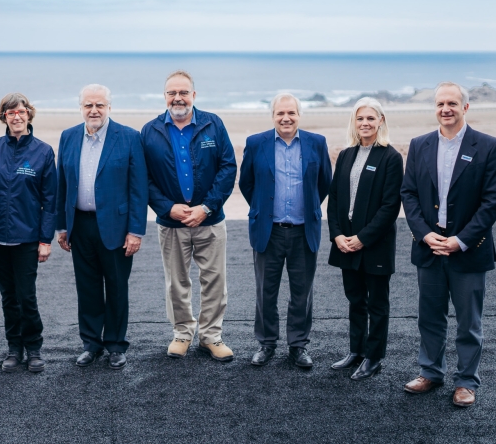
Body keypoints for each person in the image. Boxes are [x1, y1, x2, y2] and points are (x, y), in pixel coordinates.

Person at [401, 82, 496, 408]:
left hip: (468, 249)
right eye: (440, 104)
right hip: (430, 248)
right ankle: (430, 372)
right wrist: (423, 233)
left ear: (465, 107)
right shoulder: (419, 145)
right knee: (429, 318)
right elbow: (409, 194)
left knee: (469, 322)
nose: (445, 109)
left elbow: (492, 201)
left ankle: (466, 382)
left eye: (452, 103)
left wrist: (461, 240)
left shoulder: (488, 146)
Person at [141, 70, 237, 362]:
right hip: (171, 223)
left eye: (183, 92)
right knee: (176, 282)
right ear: (165, 96)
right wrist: (167, 207)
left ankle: (211, 337)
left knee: (215, 281)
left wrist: (206, 207)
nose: (178, 98)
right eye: (172, 93)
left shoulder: (213, 123)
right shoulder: (150, 131)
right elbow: (143, 178)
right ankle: (182, 333)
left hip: (210, 220)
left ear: (193, 95)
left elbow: (228, 167)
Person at [56, 84, 148, 370]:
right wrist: (61, 227)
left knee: (117, 287)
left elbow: (138, 188)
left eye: (99, 105)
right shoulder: (68, 136)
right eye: (88, 105)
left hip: (117, 227)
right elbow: (62, 184)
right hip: (80, 224)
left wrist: (135, 231)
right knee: (88, 288)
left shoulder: (129, 137)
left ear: (109, 107)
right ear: (81, 108)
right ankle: (91, 344)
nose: (94, 110)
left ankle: (116, 345)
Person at [238, 92, 332, 368]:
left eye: (291, 113)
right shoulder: (256, 143)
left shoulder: (317, 143)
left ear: (299, 115)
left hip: (304, 231)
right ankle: (267, 343)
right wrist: (263, 209)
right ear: (273, 116)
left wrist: (308, 208)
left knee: (302, 293)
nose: (286, 118)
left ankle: (298, 345)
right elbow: (246, 183)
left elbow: (324, 182)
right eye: (280, 113)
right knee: (265, 292)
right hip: (269, 231)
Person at [0, 93, 56, 374]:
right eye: (11, 113)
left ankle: (33, 347)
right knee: (8, 296)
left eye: (21, 111)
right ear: (4, 117)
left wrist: (45, 239)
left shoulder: (43, 151)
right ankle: (14, 348)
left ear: (29, 114)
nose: (17, 116)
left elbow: (50, 200)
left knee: (26, 296)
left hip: (27, 238)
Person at [326, 97, 403, 380]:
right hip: (346, 243)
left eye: (371, 118)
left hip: (375, 244)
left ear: (381, 121)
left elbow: (390, 207)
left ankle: (374, 357)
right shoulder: (346, 155)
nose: (365, 123)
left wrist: (362, 238)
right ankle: (356, 351)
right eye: (360, 119)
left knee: (377, 304)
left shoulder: (391, 157)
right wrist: (337, 235)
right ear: (354, 122)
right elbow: (334, 199)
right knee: (355, 299)